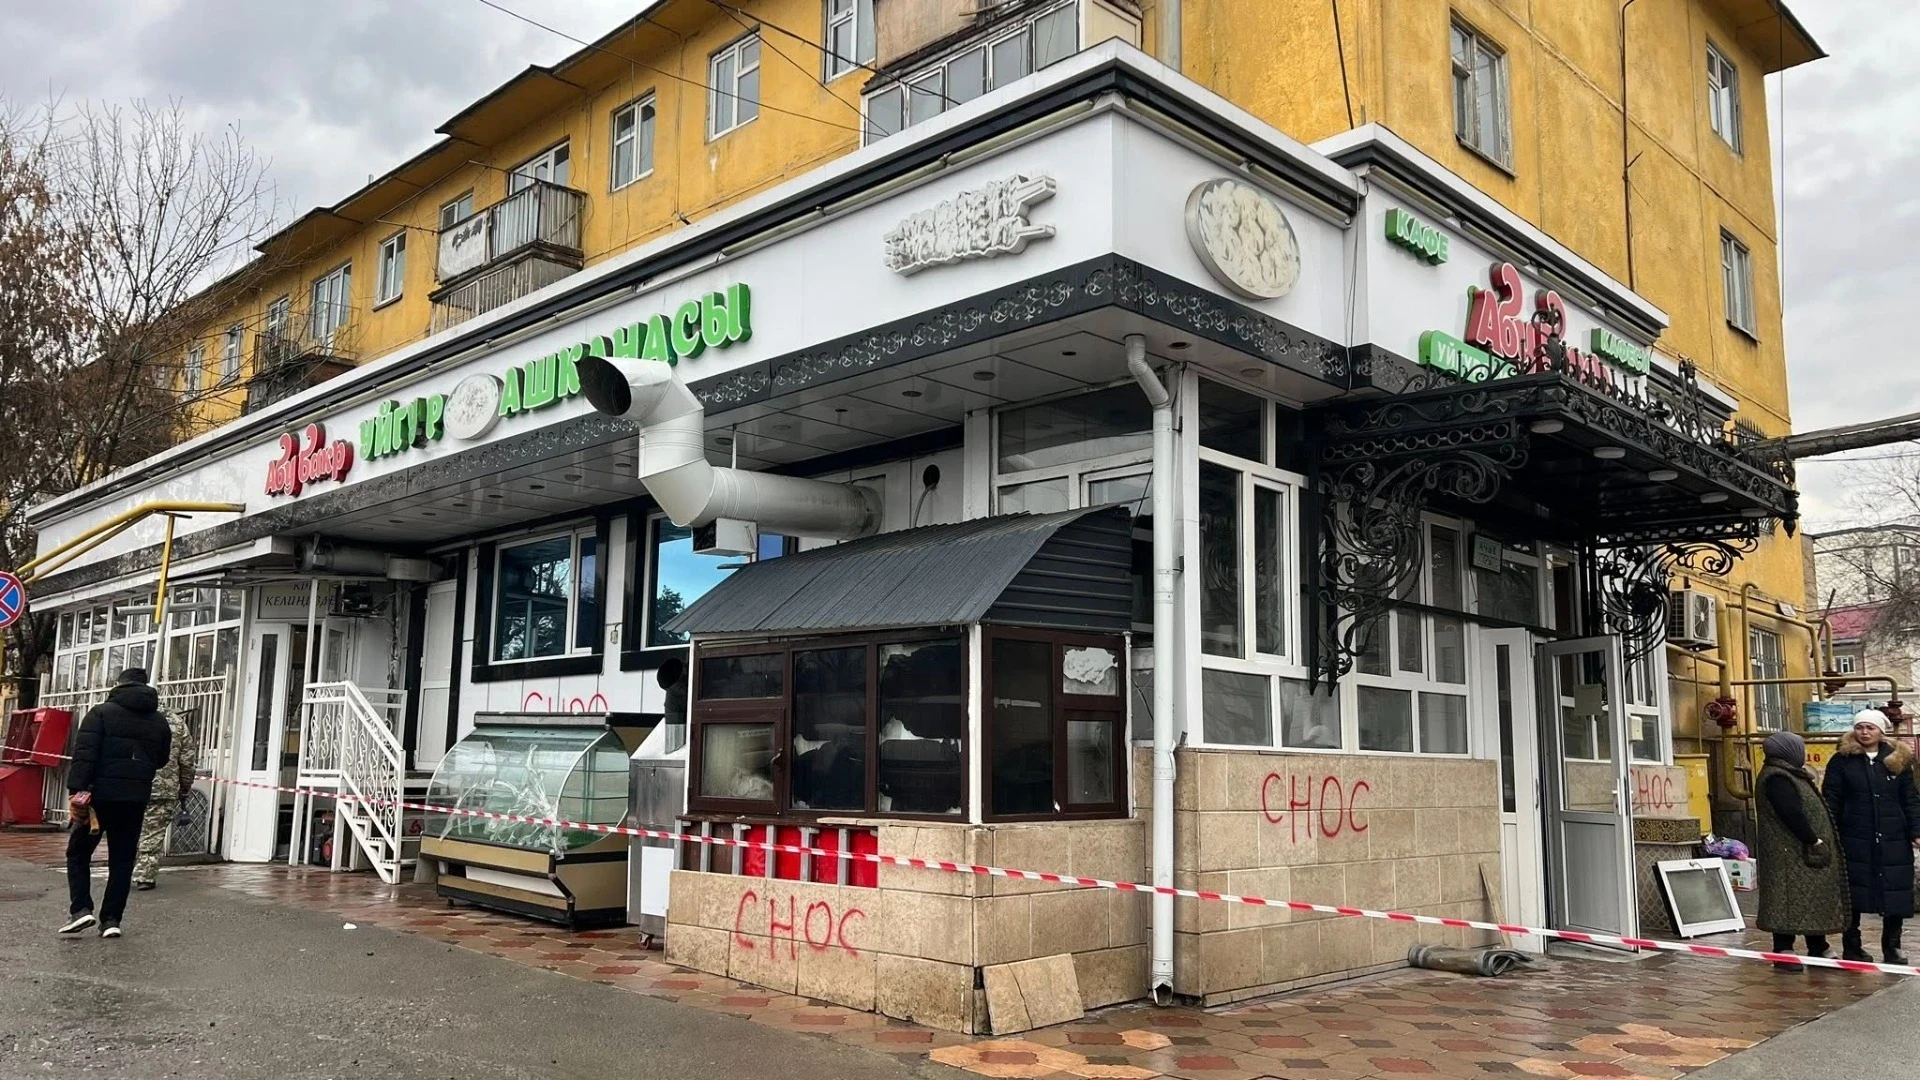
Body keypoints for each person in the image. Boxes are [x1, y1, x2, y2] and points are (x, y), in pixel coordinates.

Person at [59, 667, 172, 939]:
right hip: (135, 798)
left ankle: (81, 908)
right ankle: (111, 920)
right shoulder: (159, 721)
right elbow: (161, 759)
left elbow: (85, 755)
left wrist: (76, 791)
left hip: (99, 798)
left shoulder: (100, 713)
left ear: (119, 684)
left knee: (78, 852)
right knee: (122, 859)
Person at [1821, 708, 1920, 964]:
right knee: (1853, 893)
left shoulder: (1897, 760)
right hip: (1854, 837)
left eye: (1870, 728)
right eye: (1859, 727)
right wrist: (1830, 832)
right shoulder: (1842, 760)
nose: (1864, 732)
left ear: (1880, 731)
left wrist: (1916, 830)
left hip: (1893, 837)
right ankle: (1852, 946)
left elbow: (1910, 798)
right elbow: (1831, 798)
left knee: (1895, 891)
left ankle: (1892, 946)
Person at [1754, 731, 1849, 968]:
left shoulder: (1792, 773)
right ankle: (1783, 950)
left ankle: (1818, 946)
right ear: (1789, 751)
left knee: (1810, 899)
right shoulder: (1777, 777)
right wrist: (1812, 839)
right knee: (1785, 901)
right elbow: (1791, 812)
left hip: (1802, 854)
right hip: (1789, 854)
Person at [133, 703, 198, 891]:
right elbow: (187, 761)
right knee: (153, 833)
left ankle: (121, 870)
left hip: (130, 785)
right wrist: (185, 787)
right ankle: (145, 876)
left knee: (127, 830)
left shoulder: (130, 718)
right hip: (164, 788)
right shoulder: (177, 723)